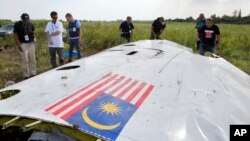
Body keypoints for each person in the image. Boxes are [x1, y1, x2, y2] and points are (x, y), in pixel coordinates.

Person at [13, 13, 36, 79]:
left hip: (31, 43)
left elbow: (33, 32)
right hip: (23, 43)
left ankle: (33, 73)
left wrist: (34, 38)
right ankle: (26, 75)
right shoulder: (17, 24)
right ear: (21, 19)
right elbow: (15, 34)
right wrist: (18, 43)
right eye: (24, 19)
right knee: (25, 59)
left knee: (33, 59)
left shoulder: (30, 23)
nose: (26, 21)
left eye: (27, 19)